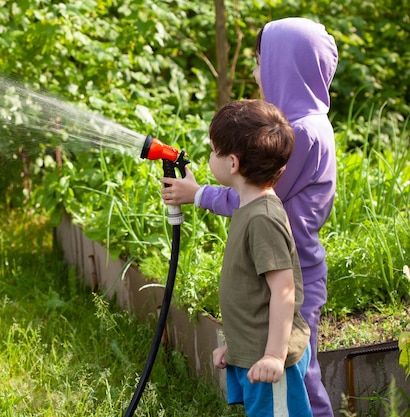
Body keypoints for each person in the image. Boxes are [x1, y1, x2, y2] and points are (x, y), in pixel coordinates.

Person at [161, 17, 337, 416]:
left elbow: (252, 194)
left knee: (298, 376)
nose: (256, 72)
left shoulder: (303, 133)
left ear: (284, 66)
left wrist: (199, 194)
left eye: (260, 62)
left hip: (293, 272)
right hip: (275, 266)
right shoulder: (302, 126)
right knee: (291, 381)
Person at [202, 99, 311, 416]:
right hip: (253, 352)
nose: (210, 157)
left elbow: (283, 290)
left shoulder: (262, 217)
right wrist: (235, 347)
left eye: (213, 151)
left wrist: (274, 356)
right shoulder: (248, 206)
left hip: (271, 359)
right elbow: (254, 292)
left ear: (232, 163)